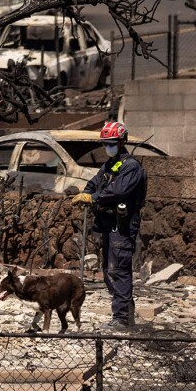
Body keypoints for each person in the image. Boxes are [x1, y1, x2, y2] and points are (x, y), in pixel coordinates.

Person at [73, 121, 147, 329]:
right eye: (105, 143)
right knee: (108, 270)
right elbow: (96, 181)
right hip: (109, 225)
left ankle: (122, 319)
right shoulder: (113, 164)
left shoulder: (131, 167)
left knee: (119, 270)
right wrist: (87, 193)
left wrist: (93, 198)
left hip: (122, 226)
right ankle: (126, 314)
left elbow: (118, 192)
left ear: (122, 142)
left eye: (112, 143)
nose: (108, 147)